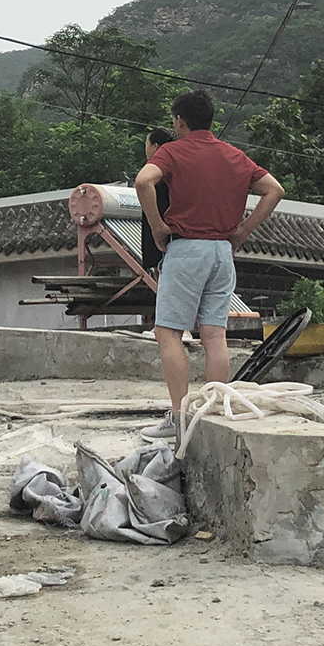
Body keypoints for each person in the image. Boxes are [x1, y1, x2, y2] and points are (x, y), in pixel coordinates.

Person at [134, 89, 285, 437]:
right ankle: (214, 412)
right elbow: (274, 190)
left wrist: (157, 226)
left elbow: (144, 181)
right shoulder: (234, 155)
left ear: (179, 120)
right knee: (214, 334)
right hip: (222, 252)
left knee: (168, 332)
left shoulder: (173, 151)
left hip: (187, 249)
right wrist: (243, 230)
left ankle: (179, 417)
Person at [139, 127, 173, 272]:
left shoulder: (155, 171)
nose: (146, 149)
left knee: (161, 269)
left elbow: (142, 183)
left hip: (161, 227)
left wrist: (157, 226)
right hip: (172, 231)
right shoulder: (176, 165)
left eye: (147, 144)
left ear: (155, 146)